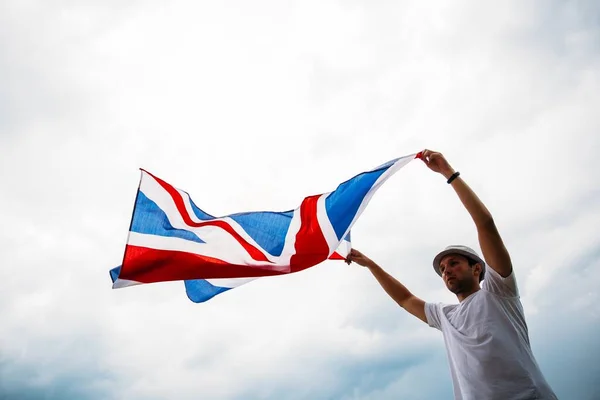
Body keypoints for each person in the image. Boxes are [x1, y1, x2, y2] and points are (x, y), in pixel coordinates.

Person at [346, 149, 557, 400]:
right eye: (443, 269)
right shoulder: (446, 316)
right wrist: (371, 264)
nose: (447, 271)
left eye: (454, 263)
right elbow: (405, 299)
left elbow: (485, 224)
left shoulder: (499, 292)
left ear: (477, 268)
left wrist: (448, 172)